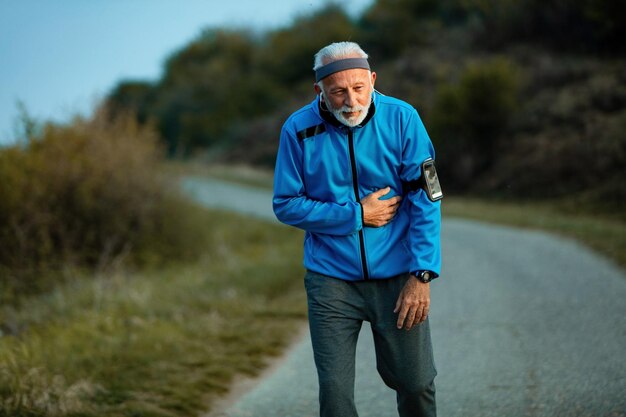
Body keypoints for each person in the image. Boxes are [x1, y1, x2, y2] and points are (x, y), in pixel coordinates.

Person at [273, 41, 442, 417]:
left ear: (372, 79)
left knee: (415, 384)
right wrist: (355, 215)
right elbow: (285, 203)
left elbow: (428, 198)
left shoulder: (403, 118)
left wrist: (422, 273)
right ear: (319, 91)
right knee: (334, 395)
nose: (351, 100)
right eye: (338, 91)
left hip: (399, 276)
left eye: (359, 87)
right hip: (331, 280)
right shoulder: (297, 130)